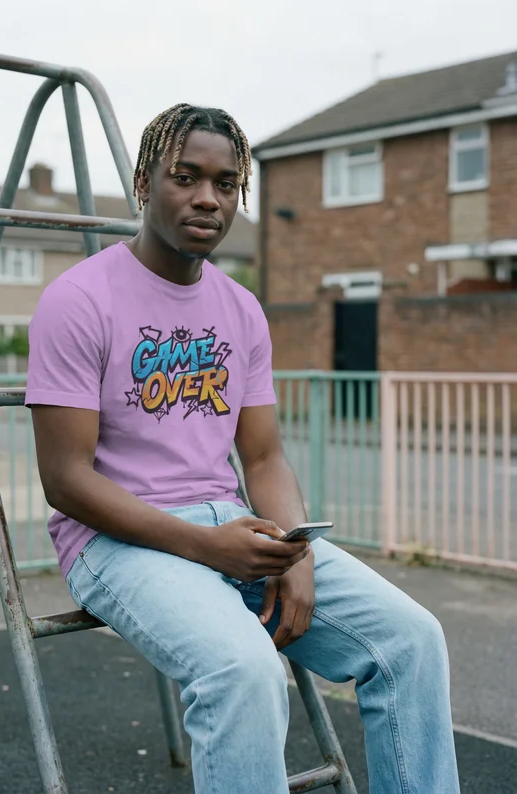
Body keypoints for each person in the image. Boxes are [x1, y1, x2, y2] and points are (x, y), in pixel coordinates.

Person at [25, 103, 460, 794]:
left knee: (412, 640)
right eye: (186, 176)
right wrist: (208, 547)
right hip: (114, 542)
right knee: (245, 669)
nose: (208, 198)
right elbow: (66, 479)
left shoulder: (240, 308)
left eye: (226, 184)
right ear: (144, 183)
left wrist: (296, 552)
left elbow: (262, 458)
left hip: (231, 526)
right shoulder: (77, 300)